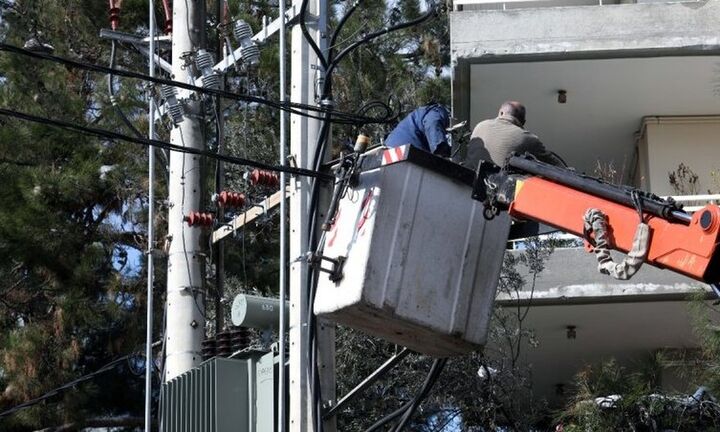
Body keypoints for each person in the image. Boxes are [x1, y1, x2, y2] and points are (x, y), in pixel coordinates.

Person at [465, 101, 566, 169]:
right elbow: (559, 168)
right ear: (524, 122)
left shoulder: (480, 125)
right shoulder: (528, 139)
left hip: (468, 183)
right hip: (496, 194)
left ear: (501, 113)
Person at [385, 104, 451, 157]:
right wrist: (441, 149)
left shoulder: (415, 117)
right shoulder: (436, 110)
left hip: (387, 154)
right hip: (404, 154)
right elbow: (432, 122)